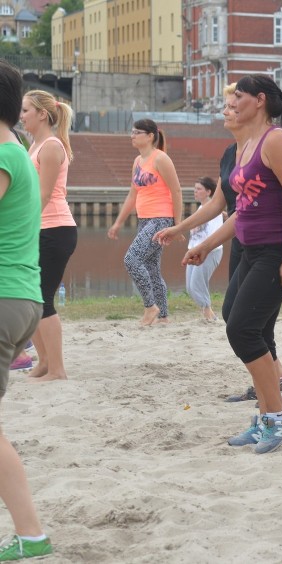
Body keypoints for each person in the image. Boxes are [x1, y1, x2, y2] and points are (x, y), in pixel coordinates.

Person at [182, 74, 282, 454]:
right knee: (235, 317)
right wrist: (205, 244)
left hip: (276, 251)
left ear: (259, 100)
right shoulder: (244, 145)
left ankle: (278, 415)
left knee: (242, 330)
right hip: (252, 251)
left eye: (238, 94)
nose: (232, 100)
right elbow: (242, 212)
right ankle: (269, 414)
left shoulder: (276, 139)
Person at [153, 86, 282, 400]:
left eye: (233, 104)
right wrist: (184, 230)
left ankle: (274, 392)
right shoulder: (234, 153)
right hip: (245, 239)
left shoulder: (272, 142)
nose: (226, 110)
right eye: (227, 104)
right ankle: (273, 383)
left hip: (268, 243)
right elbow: (221, 204)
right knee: (238, 317)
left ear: (255, 105)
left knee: (247, 324)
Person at [0, 59, 54, 561]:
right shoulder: (15, 150)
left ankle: (32, 536)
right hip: (18, 297)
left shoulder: (4, 155)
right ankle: (30, 534)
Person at [17, 89, 77, 382]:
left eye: (26, 110)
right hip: (42, 228)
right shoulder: (35, 145)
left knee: (42, 299)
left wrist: (20, 227)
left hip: (55, 229)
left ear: (42, 113)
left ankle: (57, 369)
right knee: (31, 298)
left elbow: (43, 195)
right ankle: (43, 363)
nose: (21, 116)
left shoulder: (51, 146)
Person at [108, 119, 182, 326]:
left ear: (150, 136)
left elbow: (176, 191)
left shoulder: (161, 159)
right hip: (144, 219)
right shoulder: (138, 161)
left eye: (136, 132)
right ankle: (164, 316)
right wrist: (118, 223)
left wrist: (178, 225)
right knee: (151, 269)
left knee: (131, 259)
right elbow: (133, 195)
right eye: (131, 132)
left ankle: (150, 307)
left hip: (161, 219)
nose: (132, 135)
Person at [185, 176, 224, 322]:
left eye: (199, 189)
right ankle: (209, 313)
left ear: (208, 192)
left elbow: (214, 235)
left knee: (197, 285)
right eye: (194, 189)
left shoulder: (213, 210)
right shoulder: (202, 208)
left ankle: (209, 314)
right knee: (190, 287)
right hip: (194, 251)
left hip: (210, 252)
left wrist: (203, 250)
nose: (195, 192)